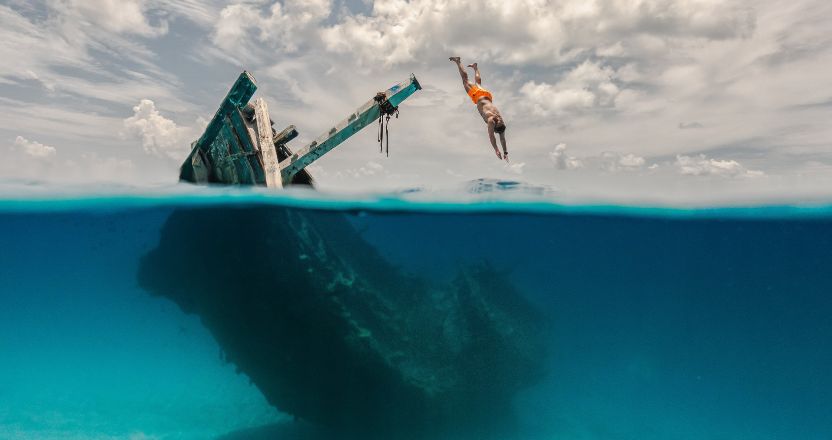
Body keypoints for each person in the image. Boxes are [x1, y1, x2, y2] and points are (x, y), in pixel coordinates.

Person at [449, 57, 508, 161]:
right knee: (465, 80)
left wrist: (505, 152)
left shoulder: (502, 124)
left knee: (478, 84)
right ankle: (458, 61)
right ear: (494, 126)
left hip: (488, 96)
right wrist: (496, 150)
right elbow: (492, 137)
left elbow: (502, 139)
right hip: (478, 97)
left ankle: (475, 68)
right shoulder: (491, 121)